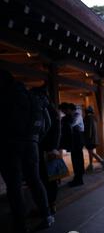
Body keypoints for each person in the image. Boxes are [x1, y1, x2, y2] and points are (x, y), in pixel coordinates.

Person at [0, 70, 54, 233]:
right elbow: (47, 123)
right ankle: (47, 215)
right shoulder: (33, 98)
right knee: (34, 180)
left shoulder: (5, 96)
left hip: (10, 144)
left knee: (14, 185)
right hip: (32, 144)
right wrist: (36, 139)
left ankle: (21, 224)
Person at [31, 86, 61, 215]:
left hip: (44, 149)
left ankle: (45, 207)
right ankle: (52, 204)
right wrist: (55, 147)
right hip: (52, 149)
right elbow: (58, 132)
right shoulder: (54, 110)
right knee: (52, 178)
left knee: (43, 178)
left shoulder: (42, 109)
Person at [59, 103, 85, 187]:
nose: (64, 112)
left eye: (64, 110)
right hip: (74, 141)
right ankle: (77, 178)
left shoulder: (77, 115)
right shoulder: (68, 117)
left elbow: (71, 124)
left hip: (78, 140)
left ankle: (79, 179)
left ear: (69, 109)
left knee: (77, 159)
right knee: (75, 159)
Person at [84, 106, 104, 172]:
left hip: (90, 139)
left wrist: (86, 138)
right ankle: (91, 165)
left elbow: (89, 129)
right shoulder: (94, 118)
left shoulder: (88, 118)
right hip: (94, 138)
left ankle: (103, 162)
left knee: (91, 152)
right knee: (90, 152)